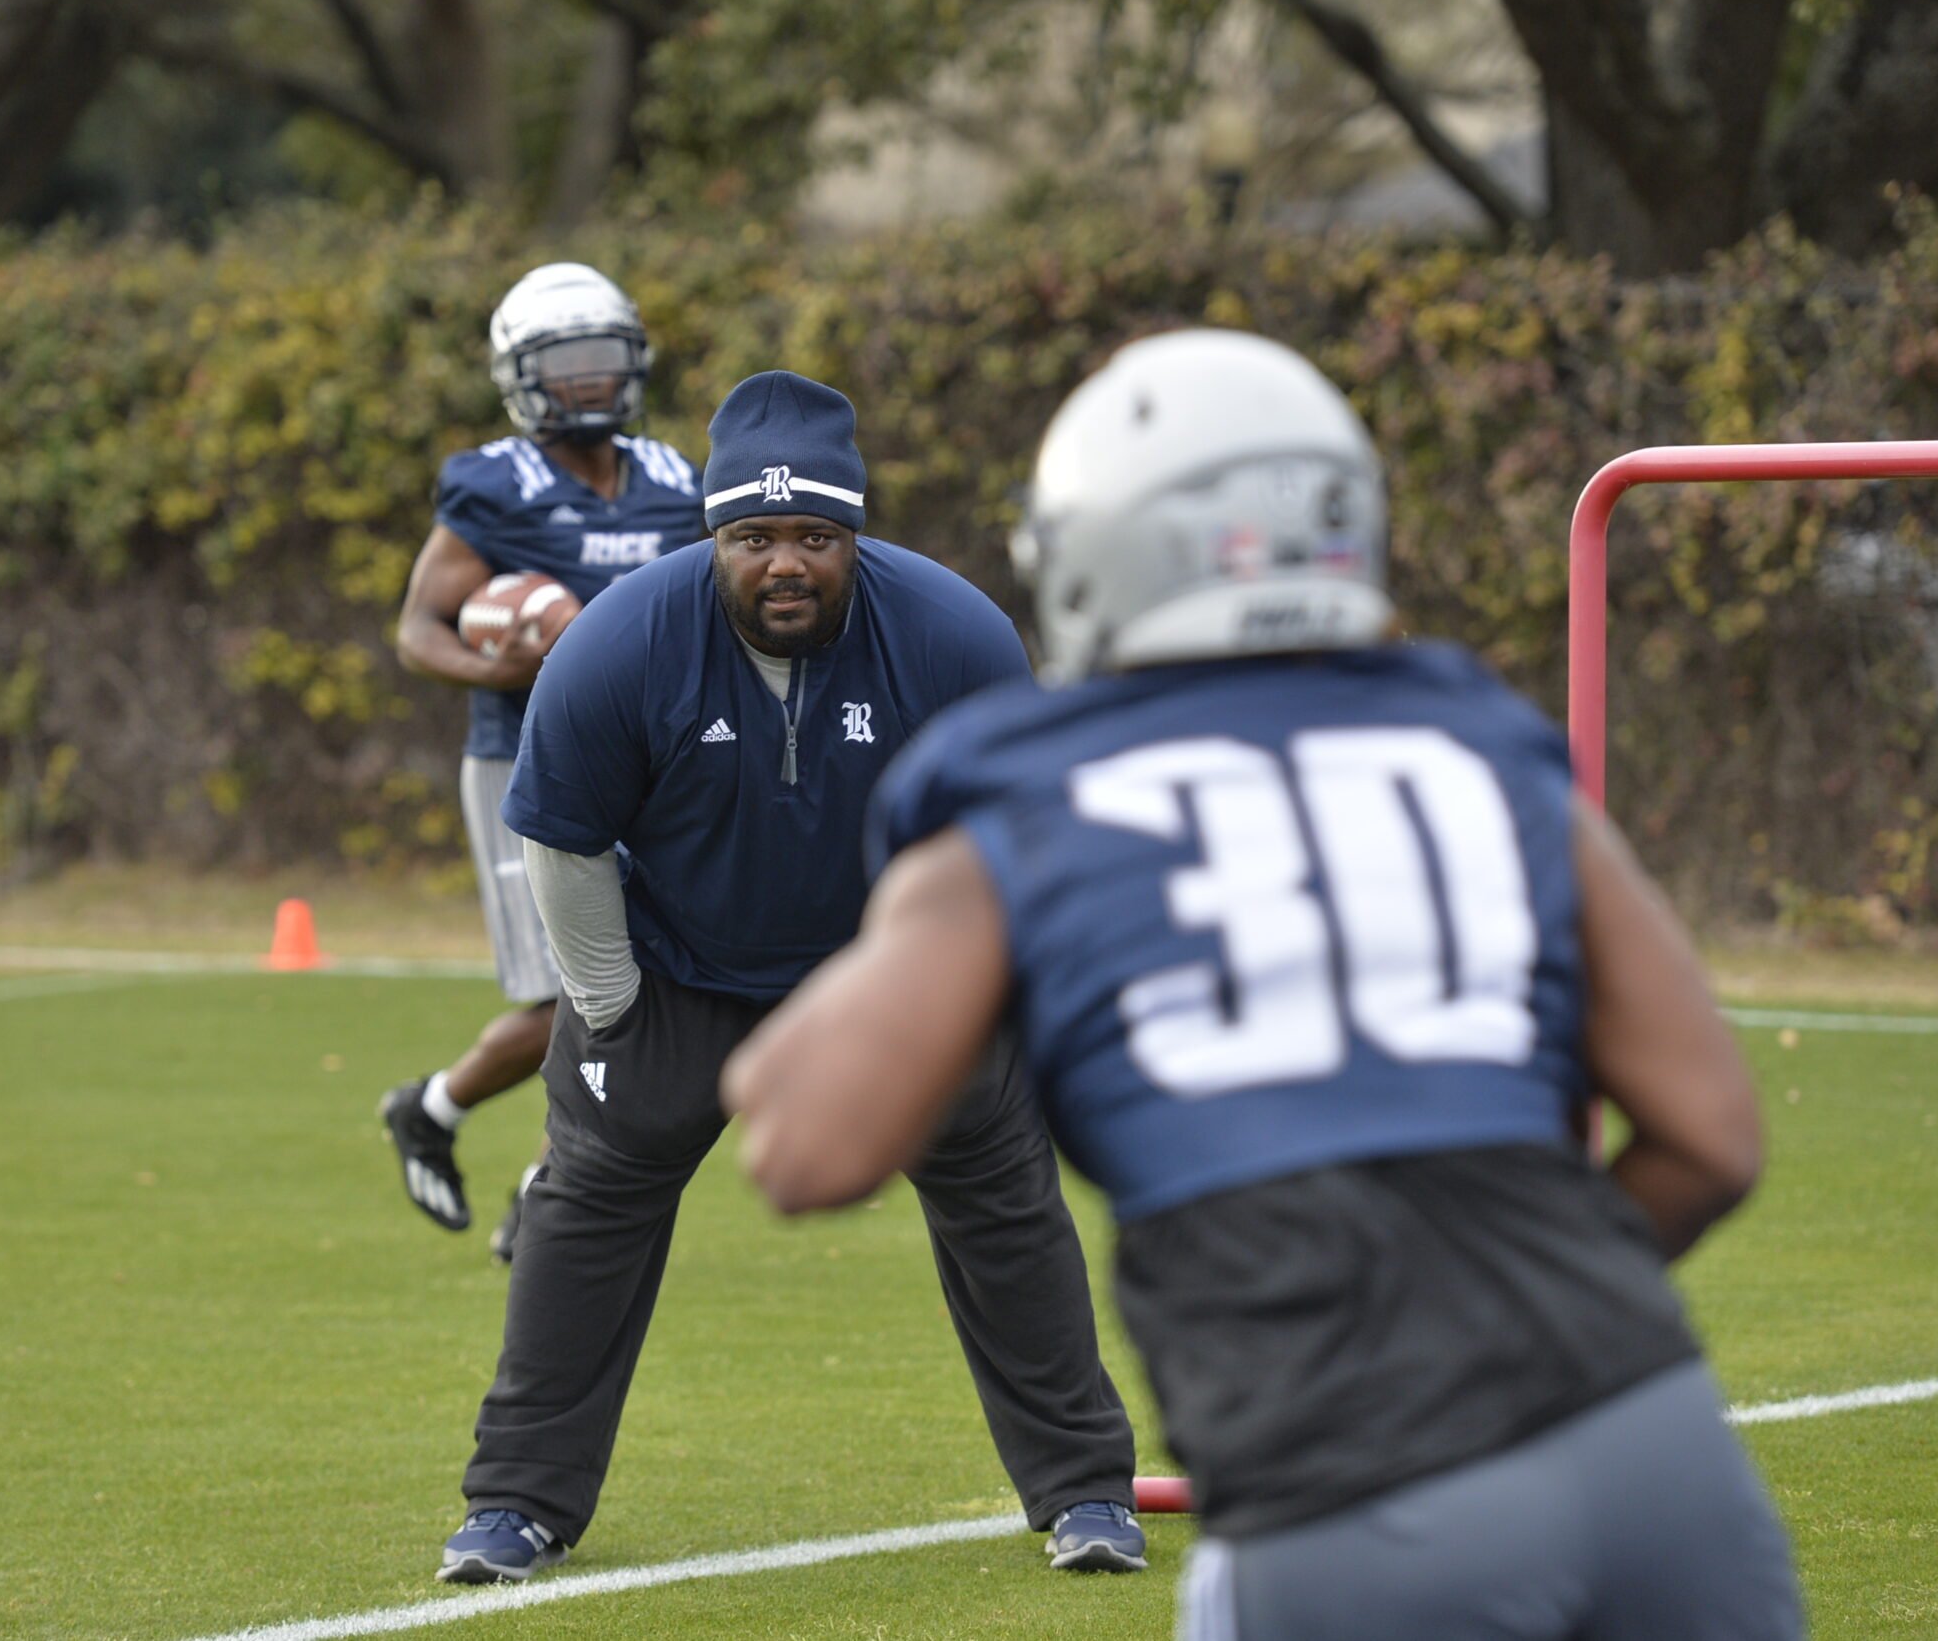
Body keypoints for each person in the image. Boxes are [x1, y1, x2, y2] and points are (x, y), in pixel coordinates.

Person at [723, 331, 1806, 1640]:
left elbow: (802, 1145)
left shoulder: (1033, 806)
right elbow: (1711, 1136)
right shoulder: (1477, 750)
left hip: (1349, 1488)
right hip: (1655, 1451)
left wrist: (920, 899)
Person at [431, 370, 1143, 1585]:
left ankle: (1085, 1490)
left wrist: (958, 987)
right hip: (672, 976)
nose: (785, 564)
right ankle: (516, 1506)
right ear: (714, 537)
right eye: (753, 537)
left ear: (852, 533)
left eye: (814, 535)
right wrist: (606, 1008)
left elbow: (1010, 833)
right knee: (586, 1210)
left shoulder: (957, 635)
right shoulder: (618, 646)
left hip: (889, 978)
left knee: (1004, 1200)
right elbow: (558, 834)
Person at [380, 263, 704, 1260]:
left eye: (604, 360)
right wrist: (501, 663)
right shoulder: (497, 485)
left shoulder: (675, 478)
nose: (590, 384)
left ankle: (487, 1139)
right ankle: (474, 1133)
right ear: (523, 377)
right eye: (565, 367)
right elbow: (418, 629)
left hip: (651, 769)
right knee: (573, 997)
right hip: (526, 765)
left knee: (649, 987)